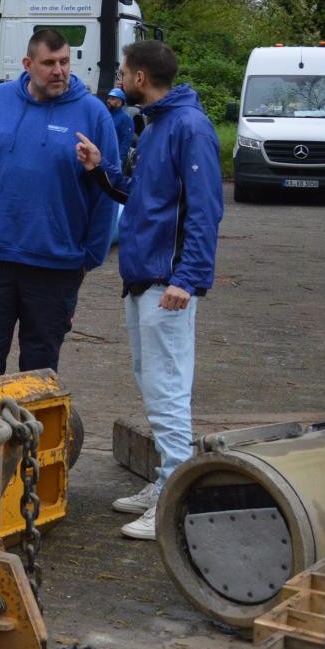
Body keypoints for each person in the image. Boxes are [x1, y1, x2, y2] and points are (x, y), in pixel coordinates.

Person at [75, 40, 223, 540]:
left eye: (122, 71)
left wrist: (187, 278)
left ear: (140, 77)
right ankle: (166, 480)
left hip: (168, 283)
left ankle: (174, 499)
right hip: (145, 278)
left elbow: (205, 209)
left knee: (167, 388)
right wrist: (100, 168)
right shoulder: (158, 124)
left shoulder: (188, 127)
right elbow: (138, 196)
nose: (117, 78)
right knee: (152, 379)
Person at [0, 29, 119, 381]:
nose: (59, 71)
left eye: (65, 62)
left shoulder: (93, 114)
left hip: (56, 265)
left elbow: (108, 192)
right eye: (49, 63)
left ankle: (31, 437)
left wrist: (89, 258)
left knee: (39, 368)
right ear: (28, 64)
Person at [105, 86, 135, 163]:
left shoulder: (126, 119)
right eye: (109, 98)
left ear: (120, 102)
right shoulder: (105, 116)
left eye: (112, 99)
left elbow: (126, 141)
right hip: (102, 158)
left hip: (114, 160)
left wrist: (120, 160)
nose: (108, 100)